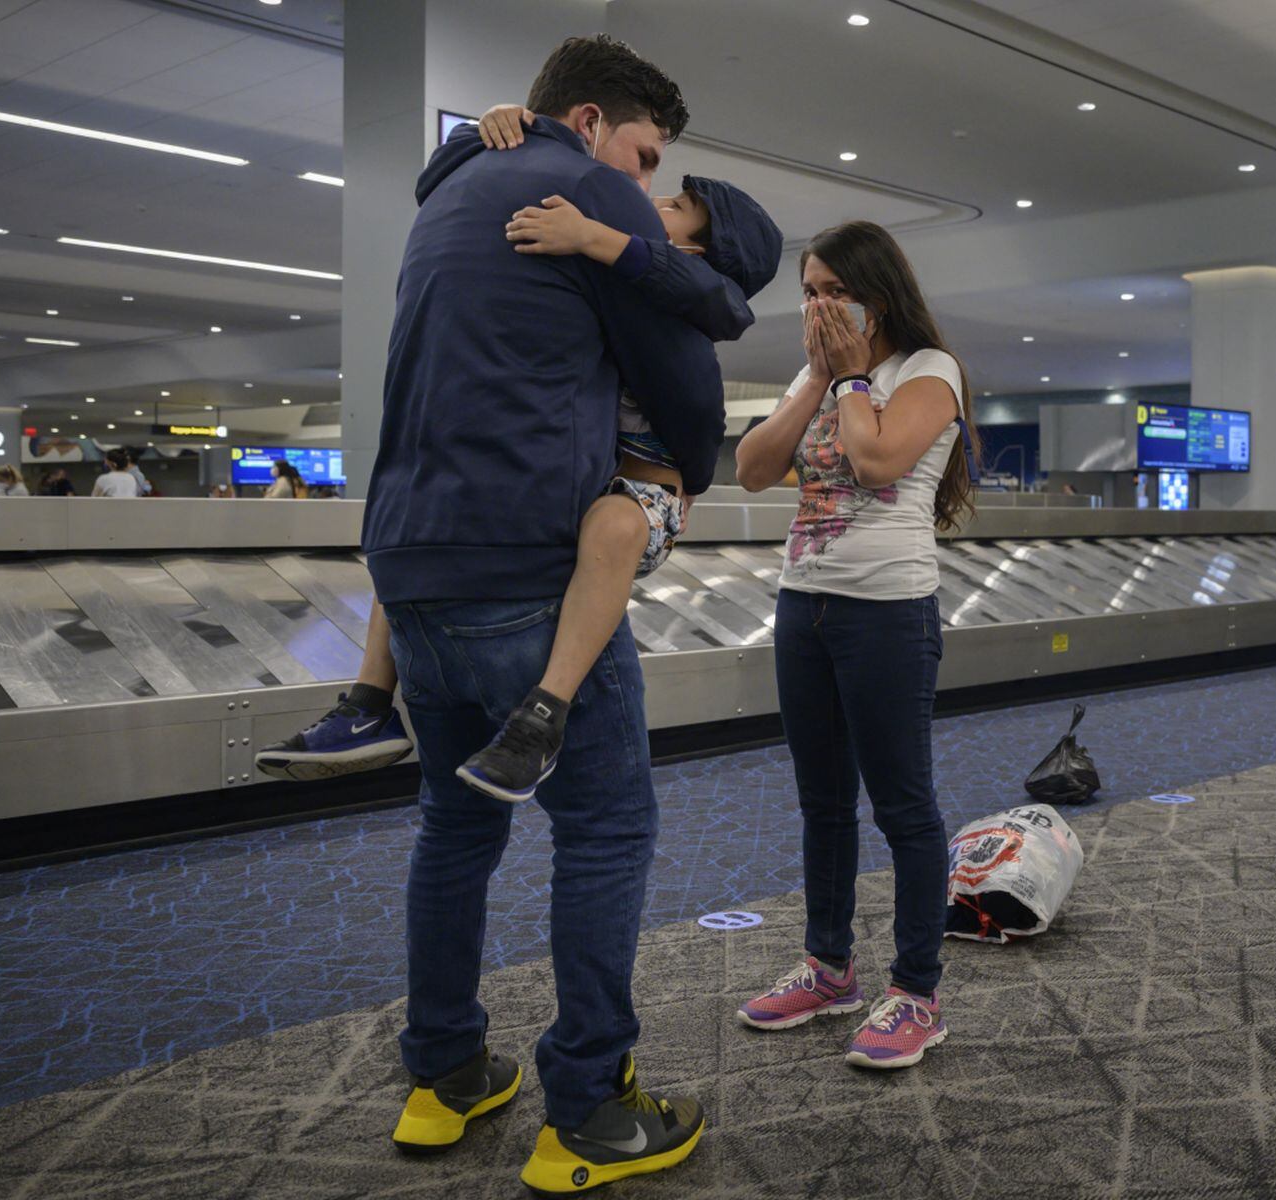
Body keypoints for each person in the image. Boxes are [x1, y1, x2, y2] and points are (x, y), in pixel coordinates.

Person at [356, 35, 725, 1196]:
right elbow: (684, 374)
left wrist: (483, 129)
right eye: (645, 154)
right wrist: (685, 474)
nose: (648, 185)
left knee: (454, 828)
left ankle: (444, 1075)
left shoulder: (449, 187)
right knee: (605, 830)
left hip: (408, 565)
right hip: (525, 565)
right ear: (593, 122)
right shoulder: (590, 191)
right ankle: (592, 1108)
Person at [256, 105, 781, 806]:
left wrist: (592, 233)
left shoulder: (678, 299)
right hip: (564, 492)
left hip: (643, 497)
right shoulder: (618, 278)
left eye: (675, 206)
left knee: (612, 527)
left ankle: (545, 712)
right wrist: (498, 124)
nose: (652, 197)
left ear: (698, 251)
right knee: (421, 509)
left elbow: (721, 320)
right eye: (655, 176)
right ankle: (369, 700)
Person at [732, 220, 981, 1071]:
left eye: (837, 291)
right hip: (803, 606)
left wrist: (845, 378)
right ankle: (829, 968)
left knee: (903, 806)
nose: (821, 306)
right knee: (824, 802)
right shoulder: (815, 377)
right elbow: (753, 468)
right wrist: (818, 378)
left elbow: (875, 463)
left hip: (888, 611)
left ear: (878, 295)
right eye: (810, 292)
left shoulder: (928, 371)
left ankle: (916, 992)